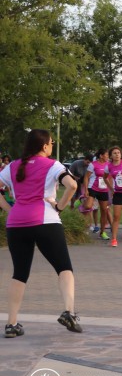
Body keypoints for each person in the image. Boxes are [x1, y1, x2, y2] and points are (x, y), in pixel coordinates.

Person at [1, 130, 82, 338]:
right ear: (45, 146)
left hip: (16, 224)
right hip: (45, 220)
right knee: (64, 268)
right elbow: (72, 185)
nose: (52, 146)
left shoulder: (12, 166)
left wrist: (10, 210)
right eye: (51, 143)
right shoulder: (53, 165)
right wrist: (60, 206)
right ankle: (69, 312)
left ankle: (11, 324)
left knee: (19, 273)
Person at [83, 149, 112, 240]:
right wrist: (86, 189)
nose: (108, 156)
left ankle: (102, 232)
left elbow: (110, 178)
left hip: (103, 190)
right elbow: (86, 177)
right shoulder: (93, 164)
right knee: (88, 206)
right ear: (101, 156)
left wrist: (111, 189)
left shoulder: (109, 165)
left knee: (104, 211)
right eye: (106, 155)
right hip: (93, 188)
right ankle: (82, 203)